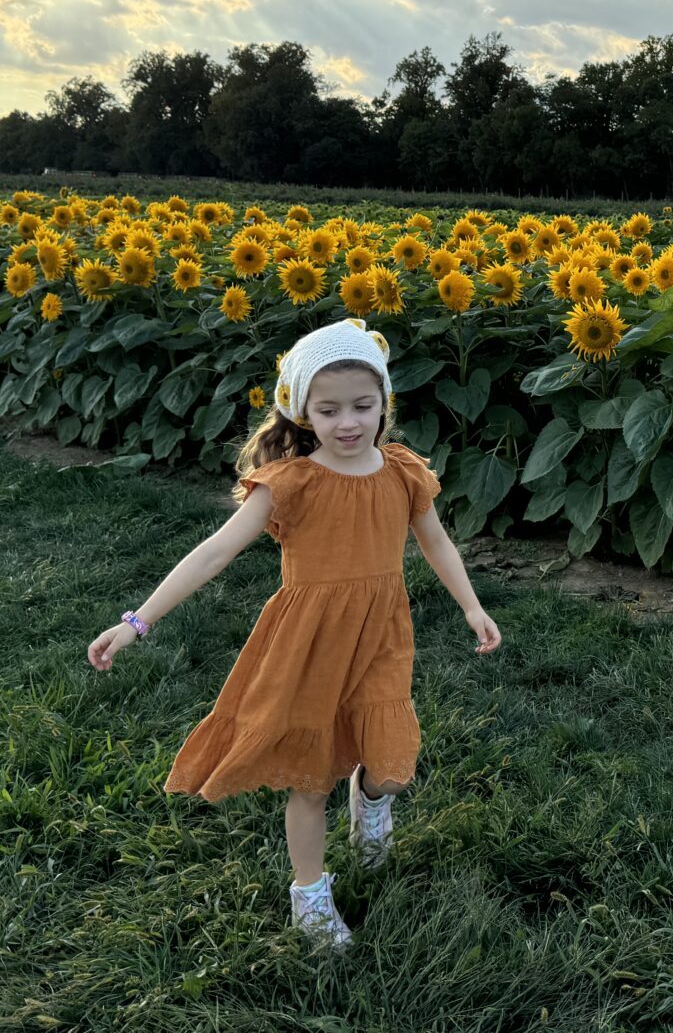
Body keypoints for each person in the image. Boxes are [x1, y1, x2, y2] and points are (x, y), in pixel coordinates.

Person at [85, 317, 502, 949]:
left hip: (381, 634)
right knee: (310, 775)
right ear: (303, 411)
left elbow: (437, 543)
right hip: (307, 642)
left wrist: (471, 607)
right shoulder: (292, 482)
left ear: (385, 401)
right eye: (329, 409)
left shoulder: (403, 473)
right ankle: (310, 894)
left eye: (363, 405)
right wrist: (137, 622)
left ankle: (371, 802)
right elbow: (213, 553)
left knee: (390, 762)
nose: (348, 422)